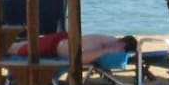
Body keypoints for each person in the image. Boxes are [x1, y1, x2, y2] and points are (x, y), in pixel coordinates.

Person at [8, 32, 138, 64]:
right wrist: (105, 50)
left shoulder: (108, 43)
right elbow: (79, 57)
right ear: (122, 45)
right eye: (121, 50)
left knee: (18, 46)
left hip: (56, 46)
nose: (118, 52)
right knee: (12, 49)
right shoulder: (105, 44)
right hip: (54, 45)